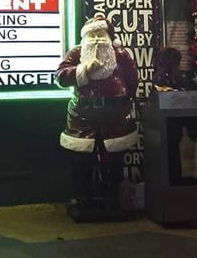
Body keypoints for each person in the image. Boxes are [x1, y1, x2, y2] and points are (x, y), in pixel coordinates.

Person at [56, 14, 139, 220]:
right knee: (81, 160)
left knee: (113, 161)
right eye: (92, 35)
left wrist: (123, 101)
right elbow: (60, 77)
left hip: (114, 117)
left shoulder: (120, 55)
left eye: (100, 34)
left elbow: (132, 79)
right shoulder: (77, 53)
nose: (96, 39)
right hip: (83, 116)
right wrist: (83, 70)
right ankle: (83, 200)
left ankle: (112, 200)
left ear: (109, 36)